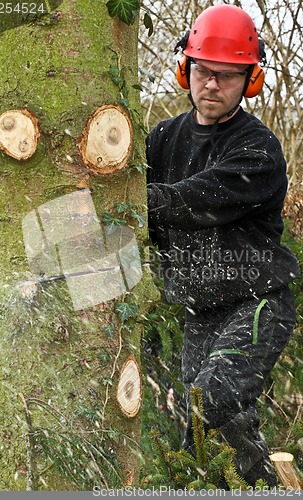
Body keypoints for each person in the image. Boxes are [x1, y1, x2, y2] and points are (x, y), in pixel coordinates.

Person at [146, 4, 300, 488]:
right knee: (197, 430)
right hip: (197, 311)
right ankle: (258, 486)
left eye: (227, 76)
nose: (212, 85)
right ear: (185, 69)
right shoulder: (162, 139)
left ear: (249, 81)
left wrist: (132, 198)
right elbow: (136, 228)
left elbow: (194, 201)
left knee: (214, 398)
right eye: (203, 71)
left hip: (255, 303)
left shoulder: (258, 149)